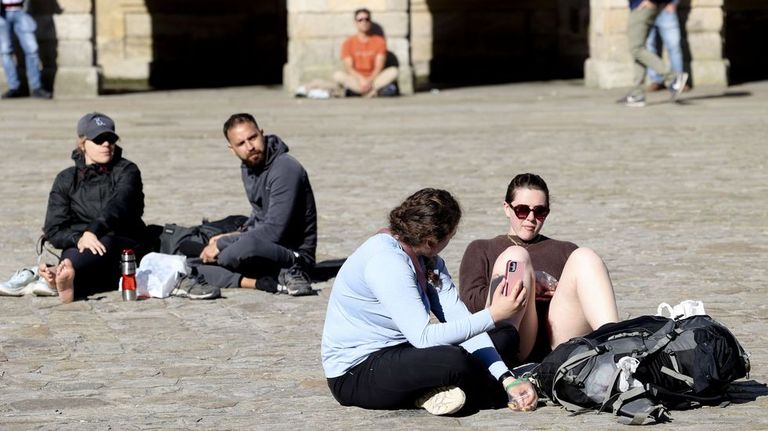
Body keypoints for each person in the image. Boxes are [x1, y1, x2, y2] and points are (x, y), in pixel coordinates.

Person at [321, 188, 538, 416]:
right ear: (430, 241)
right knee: (455, 361)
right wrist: (492, 314)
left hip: (403, 353)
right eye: (450, 237)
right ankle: (490, 390)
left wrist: (506, 377)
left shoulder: (429, 259)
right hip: (357, 373)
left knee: (504, 337)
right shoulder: (387, 262)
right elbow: (423, 338)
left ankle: (446, 389)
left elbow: (461, 320)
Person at [459, 173, 620, 365]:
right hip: (513, 342)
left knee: (586, 256)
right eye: (522, 210)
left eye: (540, 211)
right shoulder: (481, 248)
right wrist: (529, 283)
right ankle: (502, 359)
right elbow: (470, 304)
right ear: (506, 208)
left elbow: (589, 300)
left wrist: (560, 290)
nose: (530, 218)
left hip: (559, 341)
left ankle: (618, 349)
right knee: (516, 258)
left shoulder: (565, 250)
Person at [175, 113, 318, 298]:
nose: (250, 147)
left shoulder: (285, 168)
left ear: (262, 133)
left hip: (293, 254)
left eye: (253, 138)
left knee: (236, 251)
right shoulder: (249, 167)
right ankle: (254, 280)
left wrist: (224, 243)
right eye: (241, 144)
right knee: (190, 266)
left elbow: (274, 232)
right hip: (263, 246)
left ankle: (233, 266)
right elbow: (258, 217)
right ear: (232, 149)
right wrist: (229, 236)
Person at [38, 112, 151, 303]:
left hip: (123, 241)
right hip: (84, 248)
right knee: (77, 251)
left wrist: (92, 231)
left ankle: (61, 275)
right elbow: (54, 229)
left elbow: (119, 205)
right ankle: (62, 276)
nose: (106, 144)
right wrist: (79, 238)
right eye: (99, 140)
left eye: (110, 139)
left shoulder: (127, 170)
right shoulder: (66, 179)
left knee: (103, 242)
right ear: (83, 144)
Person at [618, 0, 688, 107]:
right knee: (639, 50)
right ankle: (637, 94)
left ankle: (672, 77)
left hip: (642, 8)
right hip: (642, 8)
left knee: (636, 49)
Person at [332, 8, 398, 97]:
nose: (364, 22)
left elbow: (379, 67)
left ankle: (360, 92)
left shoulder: (379, 41)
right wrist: (361, 80)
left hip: (375, 79)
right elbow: (349, 68)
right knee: (338, 75)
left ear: (370, 22)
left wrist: (369, 81)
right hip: (356, 79)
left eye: (367, 19)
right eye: (360, 20)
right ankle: (372, 92)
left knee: (394, 71)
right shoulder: (348, 43)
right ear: (355, 23)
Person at [0, 0, 52, 99]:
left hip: (22, 10)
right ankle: (14, 87)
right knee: (5, 51)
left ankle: (36, 87)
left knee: (32, 50)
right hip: (2, 12)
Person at [645, 0, 687, 93]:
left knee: (674, 46)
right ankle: (656, 80)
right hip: (646, 11)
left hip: (666, 9)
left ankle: (678, 81)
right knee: (649, 47)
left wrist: (673, 3)